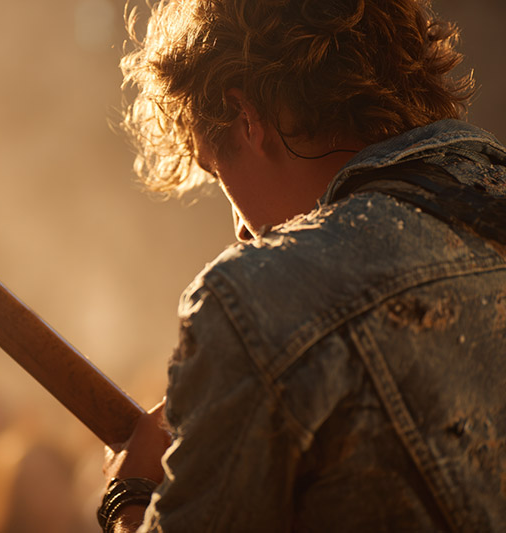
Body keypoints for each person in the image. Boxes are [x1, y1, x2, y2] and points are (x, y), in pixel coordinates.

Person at [99, 1, 506, 532]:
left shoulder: (261, 297)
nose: (241, 231)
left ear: (246, 119)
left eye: (219, 173)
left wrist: (127, 499)